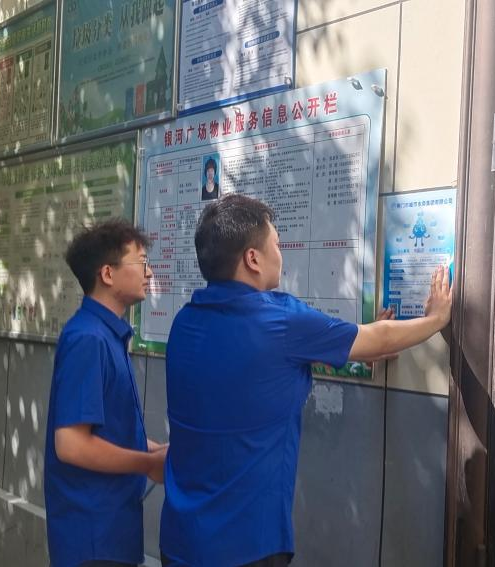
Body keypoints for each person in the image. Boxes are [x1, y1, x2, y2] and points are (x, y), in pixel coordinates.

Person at [160, 195, 453, 566]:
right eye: (276, 244)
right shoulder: (279, 320)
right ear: (253, 259)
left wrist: (351, 347)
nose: (281, 254)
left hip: (180, 539)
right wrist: (435, 320)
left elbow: (255, 370)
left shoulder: (185, 322)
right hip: (246, 545)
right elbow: (376, 339)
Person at [45, 220, 168, 567]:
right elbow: (71, 444)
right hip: (91, 536)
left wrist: (157, 450)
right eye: (141, 262)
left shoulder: (106, 334)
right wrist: (148, 464)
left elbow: (109, 430)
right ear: (108, 274)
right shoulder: (88, 339)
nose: (149, 272)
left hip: (111, 530)